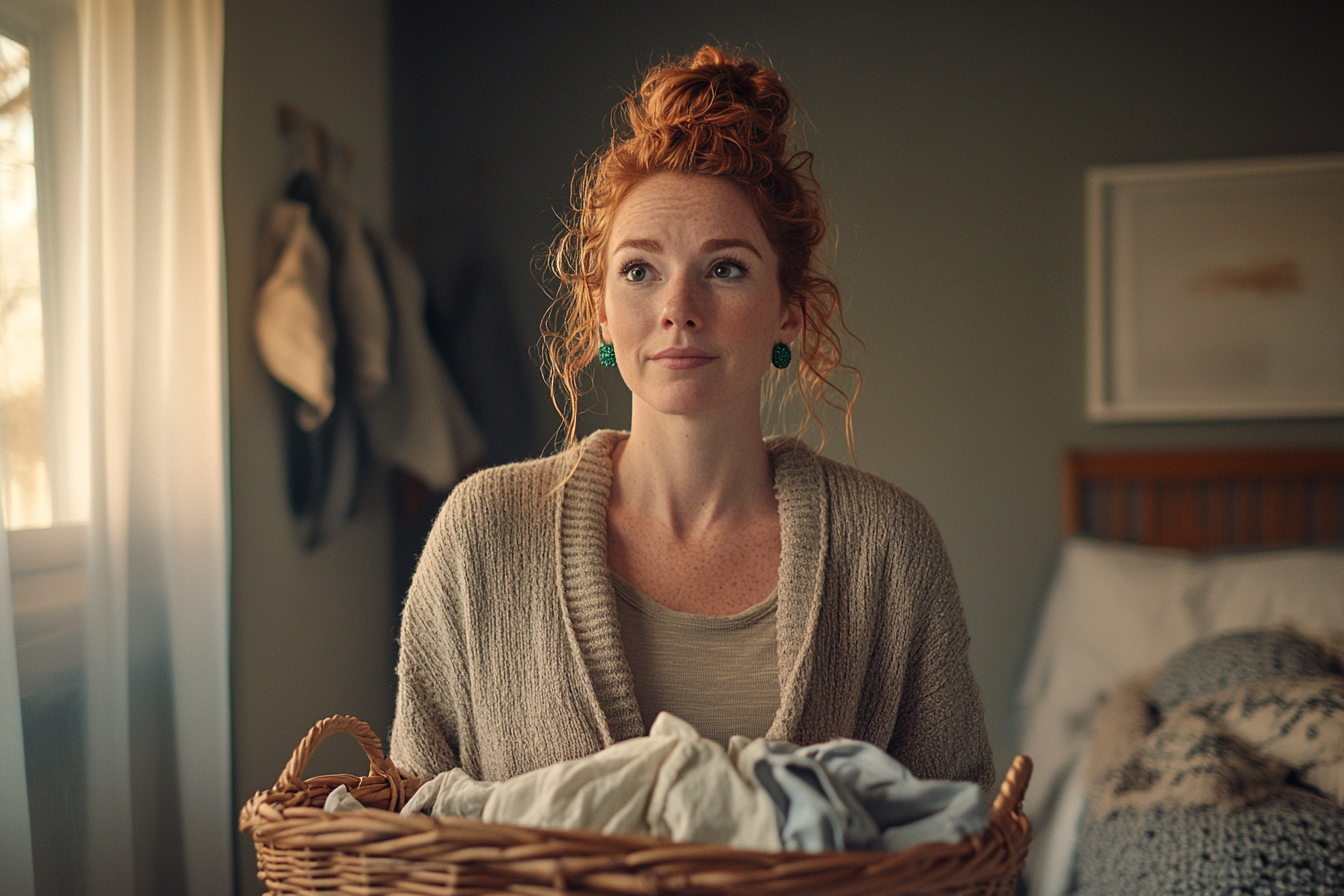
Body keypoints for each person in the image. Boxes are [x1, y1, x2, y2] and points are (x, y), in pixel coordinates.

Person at [389, 46, 995, 794]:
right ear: (602, 313)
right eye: (640, 270)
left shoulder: (890, 552)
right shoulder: (482, 533)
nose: (678, 306)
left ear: (789, 314)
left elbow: (966, 844)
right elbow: (406, 831)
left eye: (726, 268)